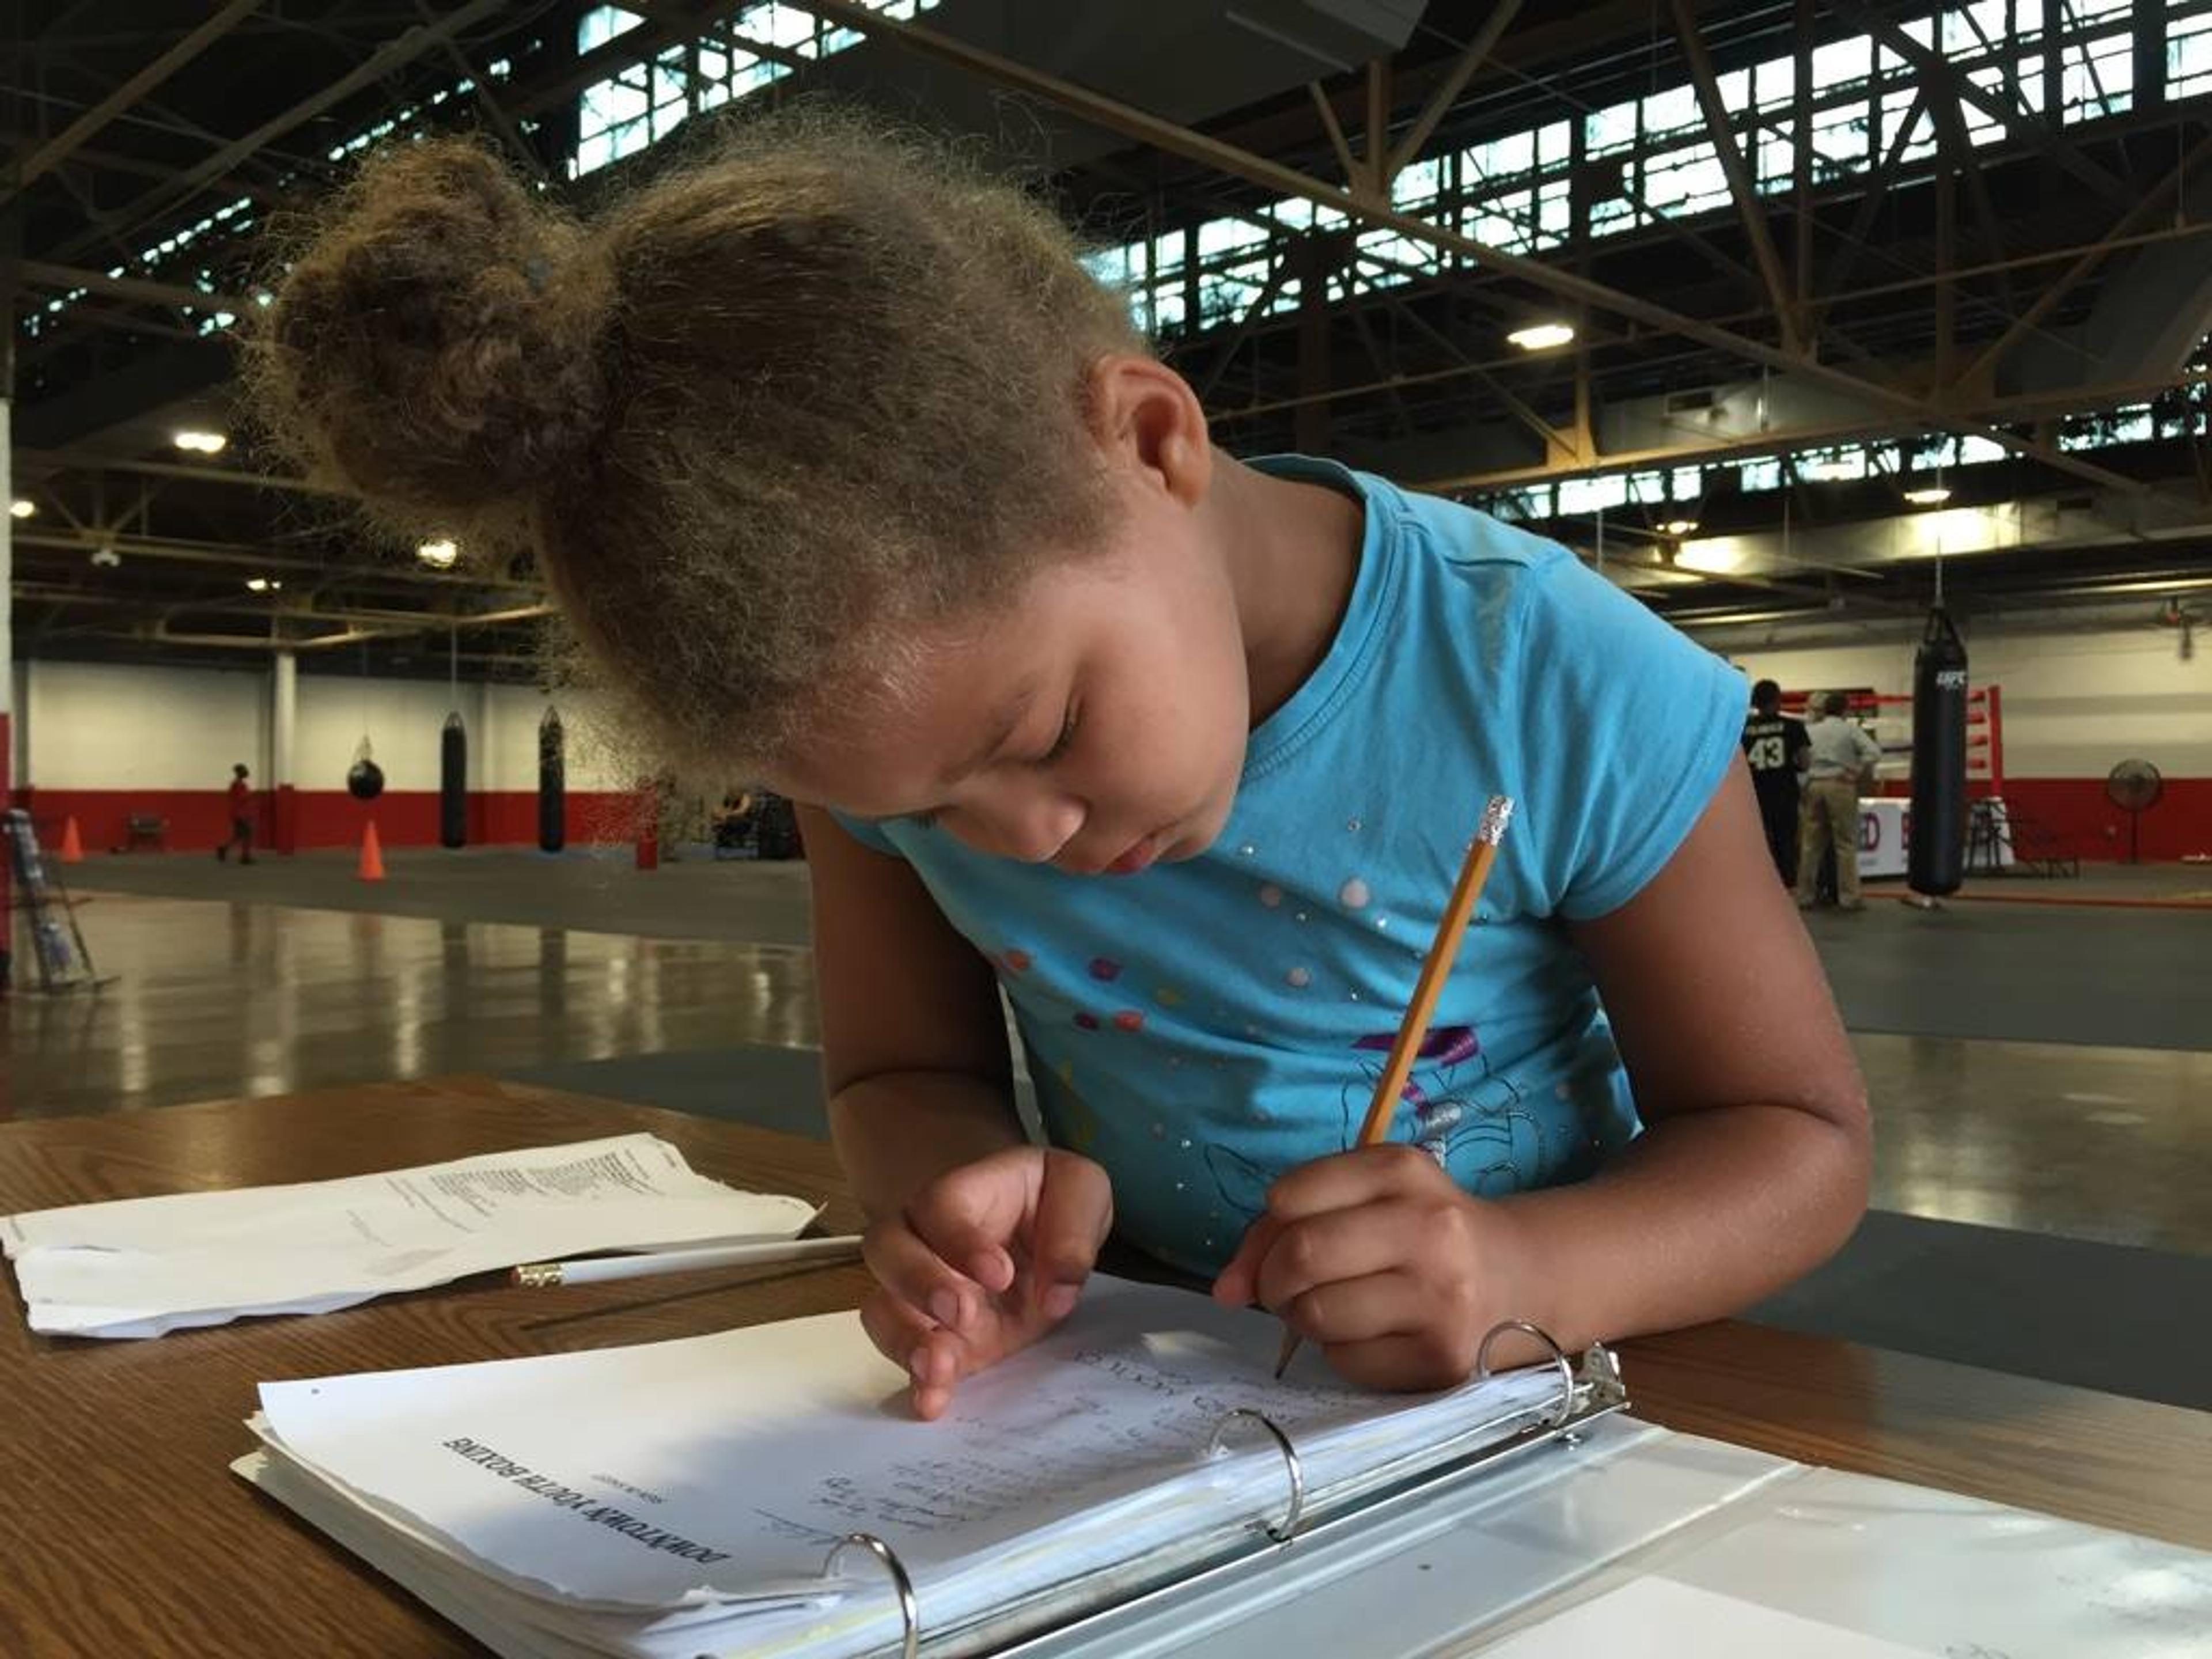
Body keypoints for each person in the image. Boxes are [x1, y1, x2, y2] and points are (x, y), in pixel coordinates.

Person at [251, 120, 1870, 1419]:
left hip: (1567, 1398)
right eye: (919, 813)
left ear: (1155, 442)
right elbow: (897, 1078)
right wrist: (959, 1207)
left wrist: (1527, 1262)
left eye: (1037, 737)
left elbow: (1793, 1139)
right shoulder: (875, 749)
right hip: (1163, 1392)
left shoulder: (1554, 675)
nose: (1020, 834)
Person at [1796, 694, 1882, 911]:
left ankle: (1805, 895)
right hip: (1840, 783)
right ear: (1846, 710)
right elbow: (1874, 752)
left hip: (1814, 784)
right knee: (1845, 843)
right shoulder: (1849, 730)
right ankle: (1849, 897)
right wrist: (1857, 769)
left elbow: (1801, 759)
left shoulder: (1811, 730)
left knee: (1810, 845)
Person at [1741, 680, 1809, 885]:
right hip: (1785, 790)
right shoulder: (1793, 726)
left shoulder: (1743, 729)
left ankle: (1764, 883)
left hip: (1756, 793)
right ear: (1778, 699)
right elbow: (1805, 762)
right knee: (1786, 840)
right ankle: (1788, 883)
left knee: (1760, 840)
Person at [216, 763, 255, 864]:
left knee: (238, 835)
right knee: (248, 833)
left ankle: (223, 848)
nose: (247, 772)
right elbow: (241, 798)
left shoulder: (237, 784)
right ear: (239, 772)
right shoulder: (238, 784)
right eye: (244, 770)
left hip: (238, 813)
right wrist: (249, 796)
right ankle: (245, 857)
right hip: (240, 814)